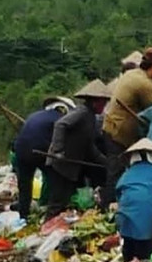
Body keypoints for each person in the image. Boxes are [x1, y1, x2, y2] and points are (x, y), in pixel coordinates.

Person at [102, 47, 152, 205]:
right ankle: (108, 207)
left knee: (117, 171)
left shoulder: (132, 74)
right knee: (116, 174)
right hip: (120, 133)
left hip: (112, 127)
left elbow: (147, 92)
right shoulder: (143, 84)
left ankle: (113, 204)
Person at [46, 80, 111, 218]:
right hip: (60, 163)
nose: (104, 106)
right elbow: (60, 125)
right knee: (57, 202)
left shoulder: (91, 118)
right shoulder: (81, 112)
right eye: (102, 103)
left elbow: (89, 147)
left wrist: (106, 162)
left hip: (70, 166)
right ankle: (46, 230)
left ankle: (54, 227)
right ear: (94, 102)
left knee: (64, 202)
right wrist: (58, 150)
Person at [13, 96, 76, 218]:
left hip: (20, 150)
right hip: (40, 151)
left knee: (24, 185)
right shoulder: (62, 120)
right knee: (56, 180)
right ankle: (52, 214)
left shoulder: (35, 115)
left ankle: (23, 215)